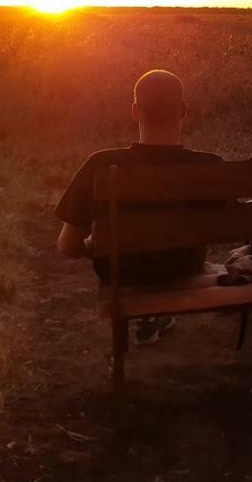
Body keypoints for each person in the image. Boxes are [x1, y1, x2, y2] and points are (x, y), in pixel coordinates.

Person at [55, 69, 221, 346]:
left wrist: (96, 244)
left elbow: (68, 246)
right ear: (183, 110)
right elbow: (226, 225)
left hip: (120, 271)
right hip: (184, 266)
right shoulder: (210, 167)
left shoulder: (100, 165)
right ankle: (157, 317)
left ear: (134, 111)